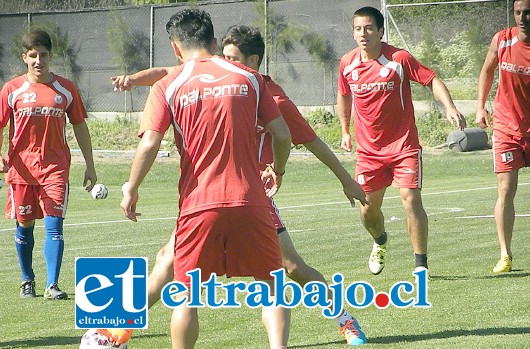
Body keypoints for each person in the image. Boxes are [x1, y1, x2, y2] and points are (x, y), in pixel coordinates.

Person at [110, 25, 370, 347]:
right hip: (215, 195)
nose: (223, 63)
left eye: (232, 58)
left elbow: (311, 141)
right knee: (167, 259)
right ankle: (119, 331)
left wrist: (344, 180)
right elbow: (172, 71)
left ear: (252, 60)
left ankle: (345, 320)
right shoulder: (219, 77)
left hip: (253, 196)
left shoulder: (268, 93)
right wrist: (135, 80)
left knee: (292, 268)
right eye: (222, 56)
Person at [120, 9, 292, 349]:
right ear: (214, 41)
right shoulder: (250, 78)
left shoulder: (168, 85)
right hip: (251, 200)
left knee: (186, 296)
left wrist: (132, 187)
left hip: (199, 204)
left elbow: (150, 142)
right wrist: (278, 169)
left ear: (174, 48)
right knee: (271, 286)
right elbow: (282, 135)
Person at [337, 7, 466, 276]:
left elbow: (431, 80)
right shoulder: (347, 64)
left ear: (381, 31)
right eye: (358, 28)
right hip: (369, 153)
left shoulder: (399, 59)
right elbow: (344, 95)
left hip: (403, 147)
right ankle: (380, 241)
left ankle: (421, 266)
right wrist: (345, 131)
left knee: (411, 200)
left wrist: (450, 107)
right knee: (367, 212)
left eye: (369, 28)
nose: (364, 33)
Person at [0, 29, 97, 300]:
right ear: (24, 57)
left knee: (54, 225)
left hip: (55, 168)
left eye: (43, 55)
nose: (38, 60)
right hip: (21, 170)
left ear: (51, 56)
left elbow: (79, 126)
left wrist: (90, 165)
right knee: (25, 226)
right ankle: (26, 279)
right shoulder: (12, 89)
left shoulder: (66, 89)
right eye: (33, 56)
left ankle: (52, 285)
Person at [476, 0, 530, 273]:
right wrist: (480, 106)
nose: (522, 18)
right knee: (506, 190)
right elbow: (487, 70)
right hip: (506, 126)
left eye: (527, 12)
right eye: (518, 12)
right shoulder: (503, 40)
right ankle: (505, 254)